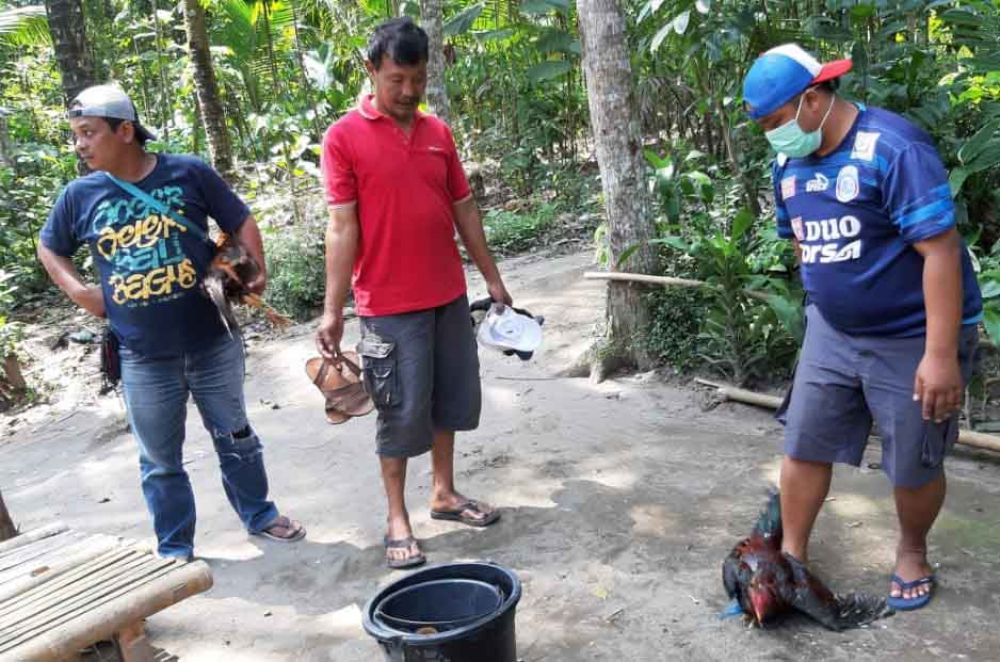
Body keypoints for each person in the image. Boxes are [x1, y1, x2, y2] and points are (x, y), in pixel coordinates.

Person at [743, 44, 984, 611]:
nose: (772, 137)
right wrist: (824, 305)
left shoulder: (893, 149)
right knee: (804, 442)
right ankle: (792, 559)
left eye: (776, 123)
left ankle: (911, 553)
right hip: (832, 328)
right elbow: (802, 238)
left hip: (912, 333)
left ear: (812, 100)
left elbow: (942, 253)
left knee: (912, 458)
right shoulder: (789, 161)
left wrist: (940, 354)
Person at [38, 84, 305, 560]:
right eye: (75, 135)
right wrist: (80, 291)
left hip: (212, 341)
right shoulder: (79, 195)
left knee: (236, 437)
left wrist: (254, 270)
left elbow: (240, 219)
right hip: (142, 355)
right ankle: (175, 547)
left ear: (125, 131)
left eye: (88, 133)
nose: (79, 144)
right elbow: (49, 246)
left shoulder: (188, 172)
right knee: (160, 461)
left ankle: (260, 514)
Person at [317, 17, 511, 569]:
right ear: (371, 70)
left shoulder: (437, 134)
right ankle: (397, 516)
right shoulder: (343, 138)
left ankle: (444, 493)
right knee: (400, 412)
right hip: (386, 304)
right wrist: (334, 311)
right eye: (396, 79)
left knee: (449, 397)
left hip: (447, 294)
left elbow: (464, 208)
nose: (407, 92)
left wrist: (491, 277)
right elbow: (341, 226)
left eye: (418, 79)